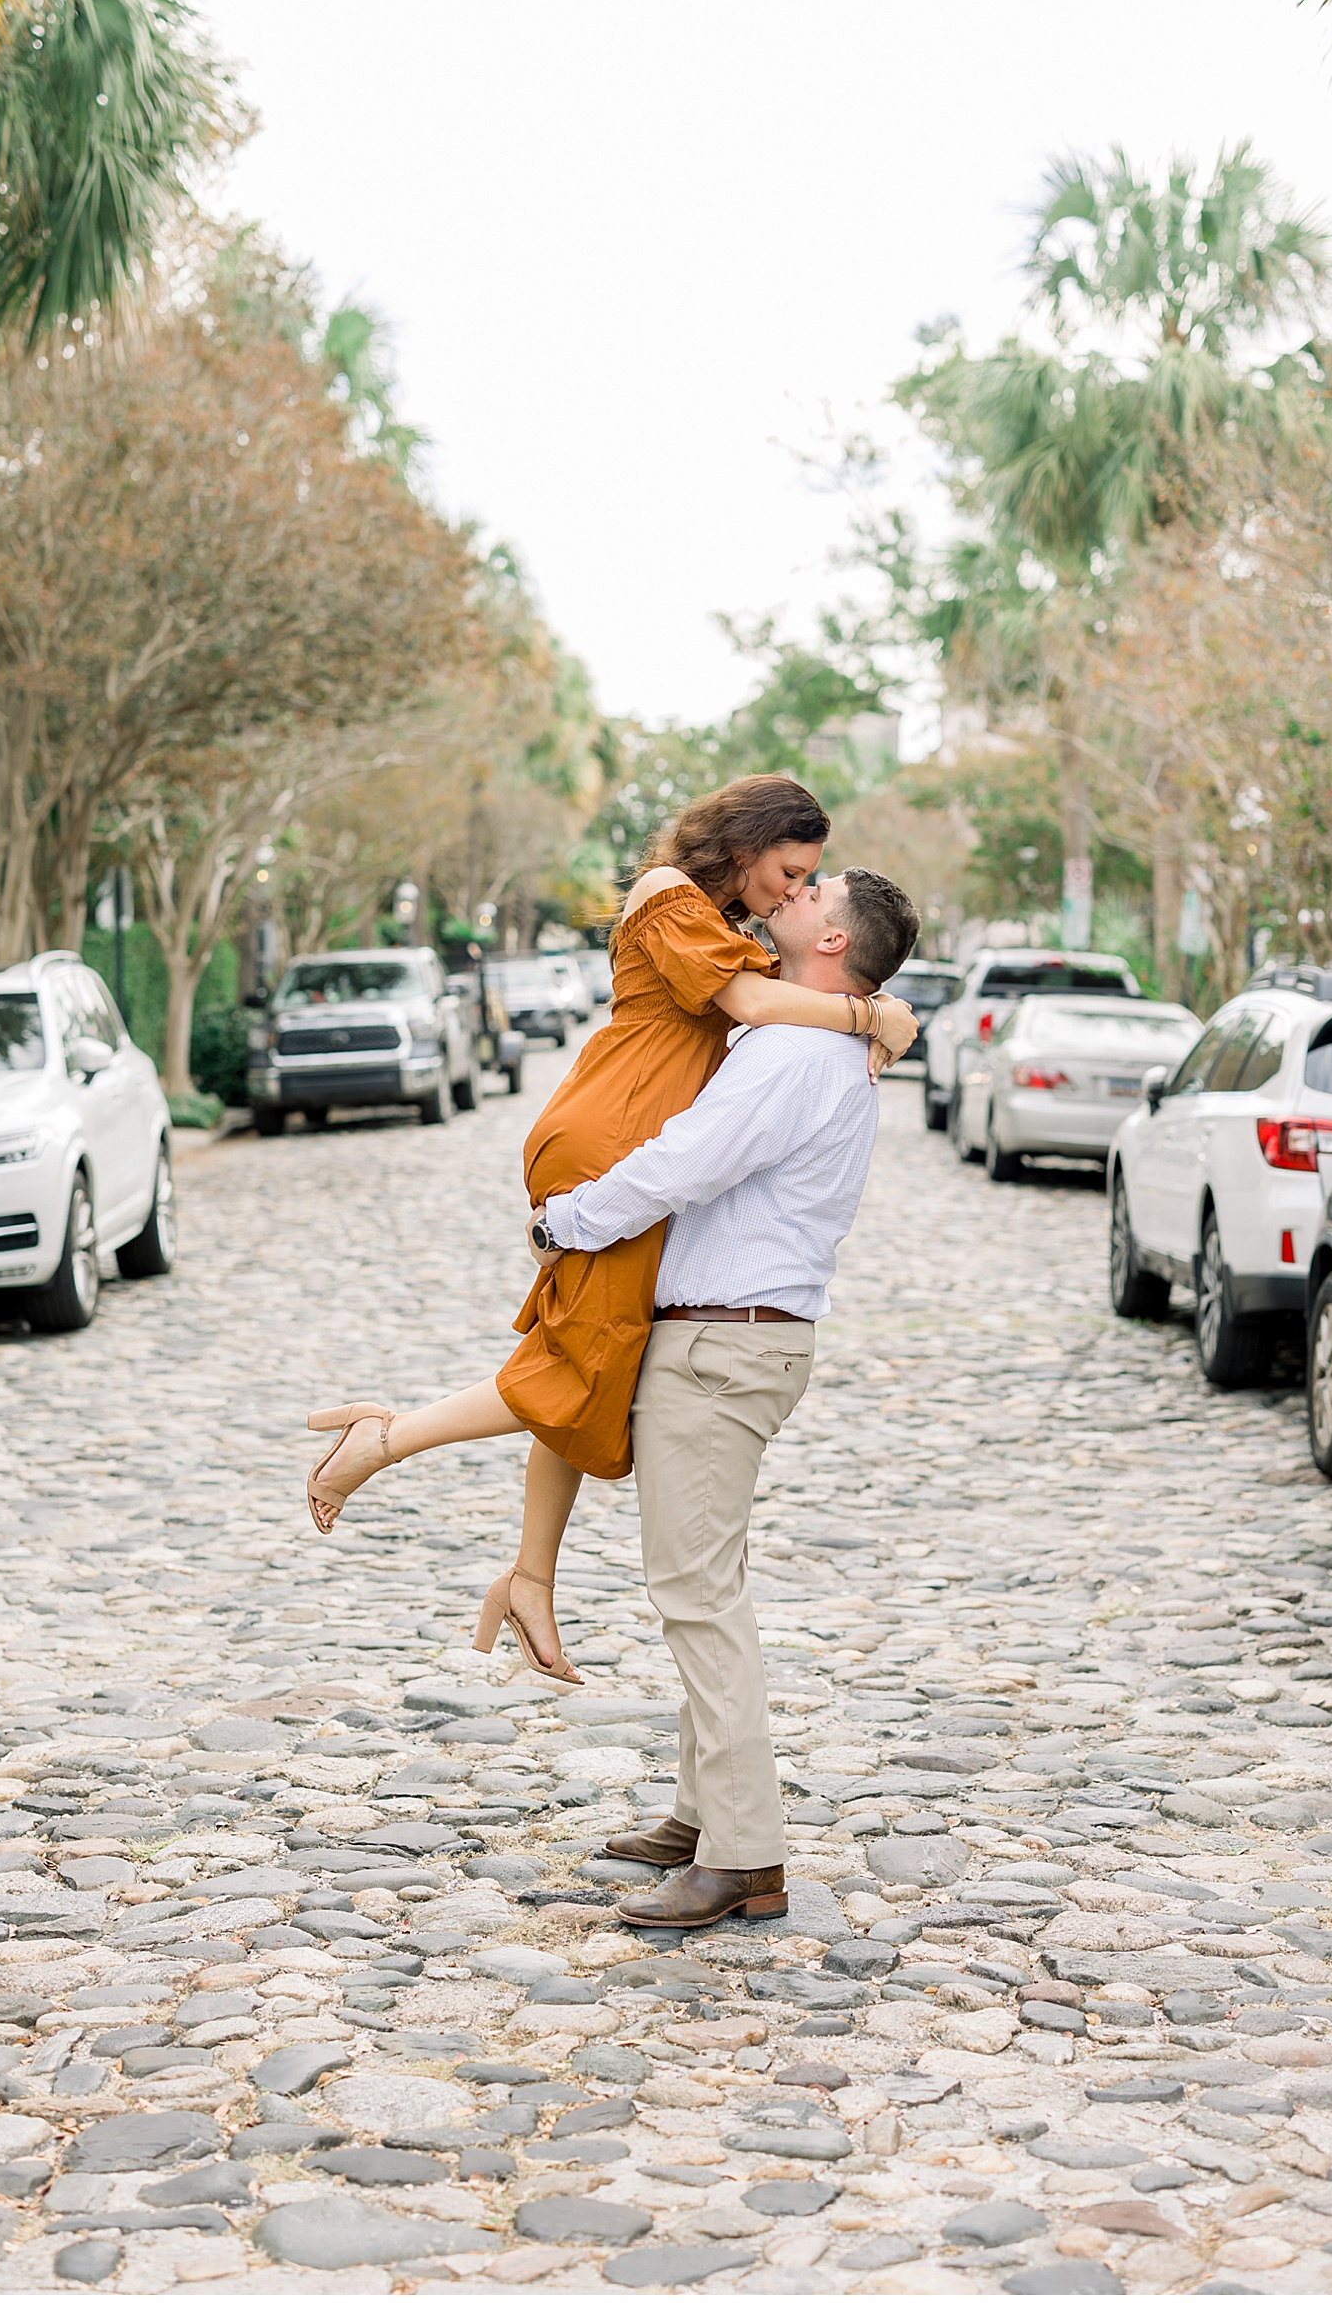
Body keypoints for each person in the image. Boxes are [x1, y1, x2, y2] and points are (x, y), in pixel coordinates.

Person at [302, 777, 918, 1686]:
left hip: (633, 1144)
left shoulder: (721, 922)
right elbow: (749, 1009)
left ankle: (530, 1577)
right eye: (789, 872)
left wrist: (876, 1015)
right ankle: (385, 1439)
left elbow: (762, 1003)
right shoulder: (667, 896)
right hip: (610, 1140)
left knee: (589, 1356)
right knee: (585, 1358)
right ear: (747, 845)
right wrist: (876, 1014)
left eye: (805, 884)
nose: (791, 892)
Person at [529, 864, 918, 1928]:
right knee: (711, 1578)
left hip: (721, 1345)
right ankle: (704, 1811)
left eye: (809, 892)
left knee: (698, 1596)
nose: (787, 896)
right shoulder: (819, 1038)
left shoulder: (796, 1049)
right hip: (738, 1340)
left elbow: (686, 1160)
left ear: (833, 942)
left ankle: (745, 1851)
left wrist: (567, 1221)